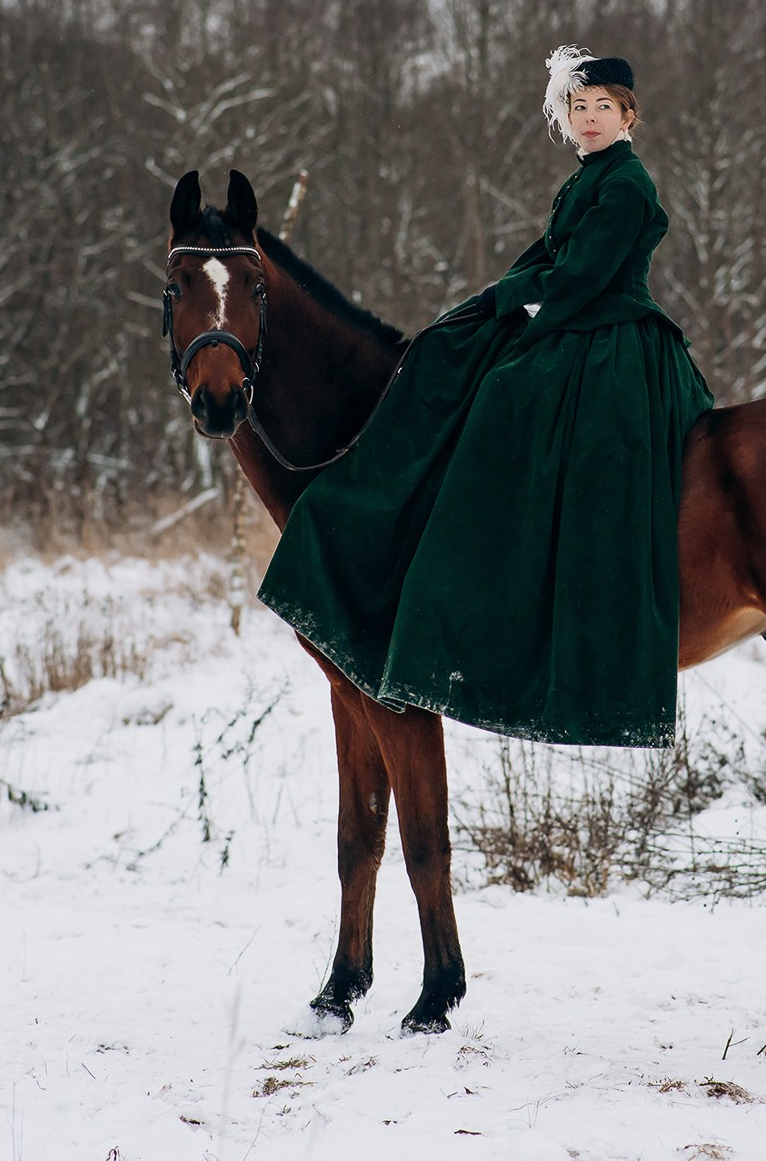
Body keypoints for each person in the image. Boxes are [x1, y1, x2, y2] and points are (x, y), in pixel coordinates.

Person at [255, 46, 715, 747]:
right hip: (576, 320)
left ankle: (507, 562)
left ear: (630, 116)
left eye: (604, 110)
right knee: (451, 356)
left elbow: (585, 273)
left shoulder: (626, 183)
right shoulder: (588, 178)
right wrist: (493, 300)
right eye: (579, 109)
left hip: (608, 335)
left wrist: (528, 305)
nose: (589, 120)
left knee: (505, 395)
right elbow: (546, 257)